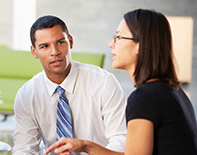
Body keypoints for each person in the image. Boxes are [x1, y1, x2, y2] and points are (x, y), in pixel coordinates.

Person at [44, 9, 197, 155]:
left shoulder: (145, 98)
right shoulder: (173, 91)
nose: (111, 43)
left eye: (118, 37)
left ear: (139, 45)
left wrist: (86, 146)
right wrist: (85, 146)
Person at [12, 15, 127, 155]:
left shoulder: (103, 83)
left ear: (70, 42)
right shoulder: (27, 95)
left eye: (60, 42)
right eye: (44, 46)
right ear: (34, 52)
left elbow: (121, 141)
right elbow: (25, 148)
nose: (54, 52)